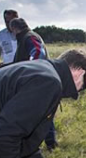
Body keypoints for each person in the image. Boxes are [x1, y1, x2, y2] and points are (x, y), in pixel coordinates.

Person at [10, 18, 57, 150]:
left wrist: (30, 72)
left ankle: (48, 143)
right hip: (36, 82)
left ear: (14, 29)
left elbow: (37, 52)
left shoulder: (29, 37)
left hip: (35, 84)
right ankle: (47, 143)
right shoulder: (26, 37)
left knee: (40, 114)